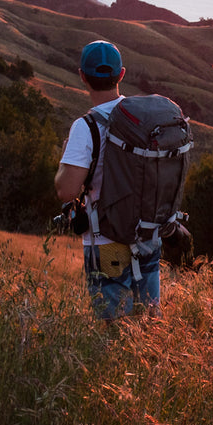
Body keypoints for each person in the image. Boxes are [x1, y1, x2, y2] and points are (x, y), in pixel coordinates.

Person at [55, 40, 161, 321]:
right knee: (149, 325)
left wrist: (64, 157)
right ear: (121, 75)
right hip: (148, 235)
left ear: (82, 76)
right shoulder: (142, 118)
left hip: (107, 242)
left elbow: (66, 191)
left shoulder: (85, 127)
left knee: (114, 328)